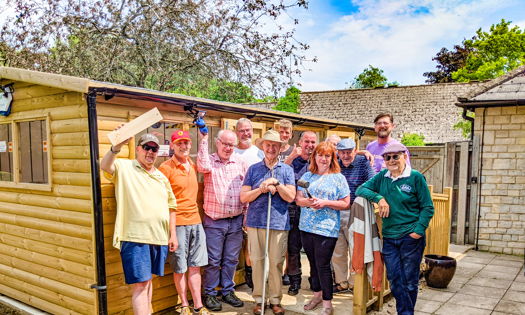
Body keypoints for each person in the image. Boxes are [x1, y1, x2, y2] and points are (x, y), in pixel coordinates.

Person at [101, 132, 177, 315]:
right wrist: (116, 147)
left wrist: (172, 234)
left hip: (158, 237)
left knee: (148, 282)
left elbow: (171, 206)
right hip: (135, 237)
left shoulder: (161, 177)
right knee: (141, 285)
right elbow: (105, 165)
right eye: (146, 148)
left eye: (154, 149)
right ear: (138, 149)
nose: (150, 152)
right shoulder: (125, 167)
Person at [356, 143, 434, 315]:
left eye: (395, 156)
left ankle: (405, 313)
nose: (391, 160)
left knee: (409, 281)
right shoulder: (383, 176)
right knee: (394, 279)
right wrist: (379, 198)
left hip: (411, 238)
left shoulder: (415, 177)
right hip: (390, 237)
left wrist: (418, 231)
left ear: (404, 156)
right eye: (387, 157)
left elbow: (427, 207)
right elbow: (361, 189)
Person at [240, 130, 296, 315]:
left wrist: (276, 183)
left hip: (278, 223)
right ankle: (259, 299)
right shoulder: (254, 169)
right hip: (256, 222)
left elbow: (291, 197)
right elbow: (244, 197)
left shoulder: (287, 170)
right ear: (262, 147)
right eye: (268, 145)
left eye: (275, 145)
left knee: (276, 262)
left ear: (280, 148)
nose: (271, 148)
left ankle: (275, 300)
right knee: (256, 262)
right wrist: (261, 188)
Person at [296, 142, 350, 315]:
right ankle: (317, 295)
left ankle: (328, 304)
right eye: (320, 155)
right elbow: (298, 200)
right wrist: (309, 202)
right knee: (312, 264)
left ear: (332, 158)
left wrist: (325, 202)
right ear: (315, 157)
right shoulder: (307, 176)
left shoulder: (338, 178)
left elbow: (345, 203)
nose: (323, 159)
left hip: (326, 229)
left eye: (327, 156)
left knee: (323, 266)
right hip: (306, 227)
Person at [159, 130, 209, 315]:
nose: (184, 146)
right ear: (172, 146)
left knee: (195, 266)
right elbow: (162, 200)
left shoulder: (193, 164)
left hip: (196, 221)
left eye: (186, 142)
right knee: (180, 266)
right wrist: (171, 232)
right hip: (177, 223)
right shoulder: (165, 168)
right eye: (179, 143)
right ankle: (184, 305)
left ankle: (198, 305)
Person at [197, 129, 248, 311]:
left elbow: (246, 189)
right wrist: (203, 139)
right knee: (213, 260)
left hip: (235, 220)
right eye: (225, 144)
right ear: (217, 142)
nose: (228, 148)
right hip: (214, 221)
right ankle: (209, 294)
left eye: (231, 145)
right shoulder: (209, 160)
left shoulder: (240, 163)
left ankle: (227, 290)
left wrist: (246, 214)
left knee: (232, 259)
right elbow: (201, 167)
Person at [331, 139, 375, 294]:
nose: (346, 155)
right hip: (336, 211)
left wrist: (355, 199)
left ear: (355, 151)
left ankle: (354, 283)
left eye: (349, 151)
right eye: (343, 152)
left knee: (355, 249)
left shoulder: (363, 162)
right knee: (338, 250)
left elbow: (372, 184)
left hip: (356, 211)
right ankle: (341, 282)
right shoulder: (334, 161)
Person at [281, 130, 317, 294]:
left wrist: (363, 152)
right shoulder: (291, 161)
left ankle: (315, 281)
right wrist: (291, 157)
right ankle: (295, 281)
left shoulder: (318, 161)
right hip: (292, 210)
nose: (310, 145)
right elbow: (278, 172)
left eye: (313, 142)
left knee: (313, 249)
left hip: (313, 211)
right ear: (300, 143)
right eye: (307, 142)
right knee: (293, 248)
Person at [234, 118, 264, 288]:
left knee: (252, 244)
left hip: (254, 204)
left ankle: (252, 277)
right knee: (236, 246)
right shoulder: (231, 151)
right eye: (242, 131)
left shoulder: (259, 152)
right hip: (233, 205)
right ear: (236, 132)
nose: (245, 133)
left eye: (248, 130)